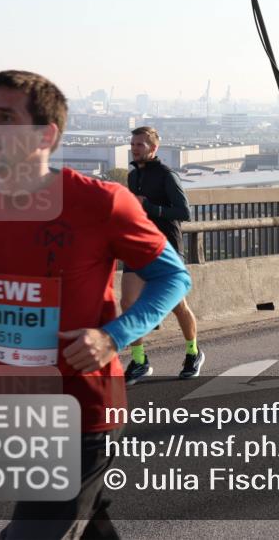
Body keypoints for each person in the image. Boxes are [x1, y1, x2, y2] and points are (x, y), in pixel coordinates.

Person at [0, 70, 191, 539]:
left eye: (5, 117)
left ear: (46, 134)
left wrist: (114, 336)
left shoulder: (101, 202)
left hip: (84, 408)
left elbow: (173, 277)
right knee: (85, 523)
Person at [121, 126, 203, 383]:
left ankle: (193, 352)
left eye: (140, 145)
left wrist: (150, 207)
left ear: (153, 148)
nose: (134, 148)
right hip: (138, 246)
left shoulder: (167, 176)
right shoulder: (133, 177)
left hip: (166, 248)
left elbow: (184, 212)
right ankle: (139, 360)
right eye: (133, 144)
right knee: (128, 304)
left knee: (178, 306)